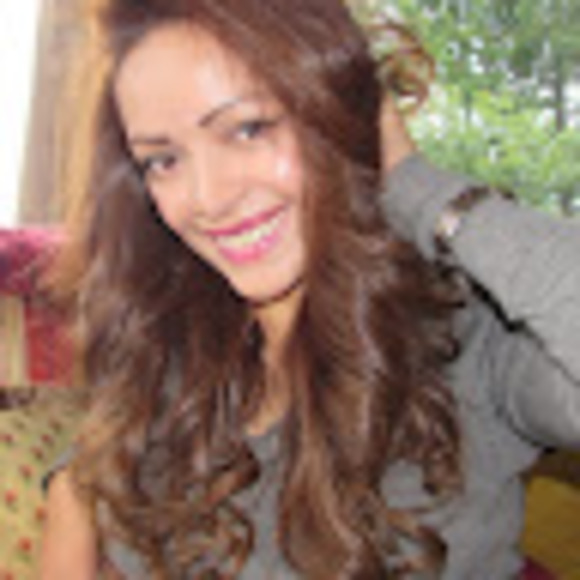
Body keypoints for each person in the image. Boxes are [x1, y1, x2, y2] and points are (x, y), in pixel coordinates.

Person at [39, 0, 580, 578]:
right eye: (164, 160)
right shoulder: (172, 353)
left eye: (248, 129)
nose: (209, 199)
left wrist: (413, 182)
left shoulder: (471, 340)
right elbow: (83, 481)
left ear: (335, 111)